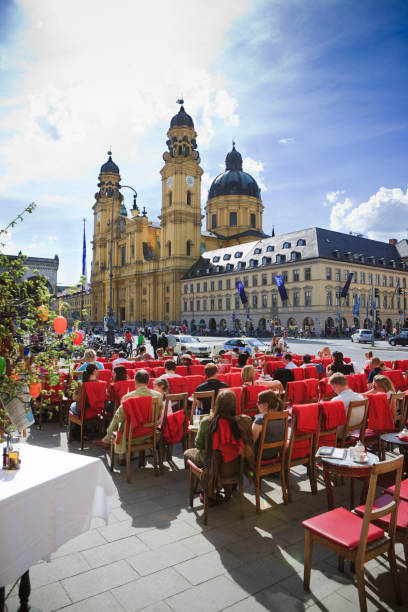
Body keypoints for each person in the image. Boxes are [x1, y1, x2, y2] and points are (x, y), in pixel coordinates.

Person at [183, 390, 253, 504]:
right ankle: (228, 486)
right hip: (234, 466)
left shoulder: (207, 421)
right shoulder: (243, 421)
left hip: (212, 467)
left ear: (217, 404)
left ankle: (205, 486)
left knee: (188, 453)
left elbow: (199, 444)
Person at [94, 369, 162, 465]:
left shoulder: (128, 397)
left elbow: (118, 418)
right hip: (150, 433)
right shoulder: (158, 396)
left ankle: (120, 456)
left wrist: (109, 432)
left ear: (135, 381)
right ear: (148, 381)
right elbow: (158, 415)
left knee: (122, 423)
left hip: (132, 435)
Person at [252, 390, 286, 460]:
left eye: (258, 402)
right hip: (274, 454)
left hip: (259, 457)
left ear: (266, 405)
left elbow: (251, 442)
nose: (256, 404)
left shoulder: (260, 420)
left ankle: (249, 471)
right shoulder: (283, 416)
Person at [329, 372, 365, 437]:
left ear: (336, 385)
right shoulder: (360, 397)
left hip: (340, 434)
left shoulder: (336, 400)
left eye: (333, 387)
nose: (333, 390)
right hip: (354, 431)